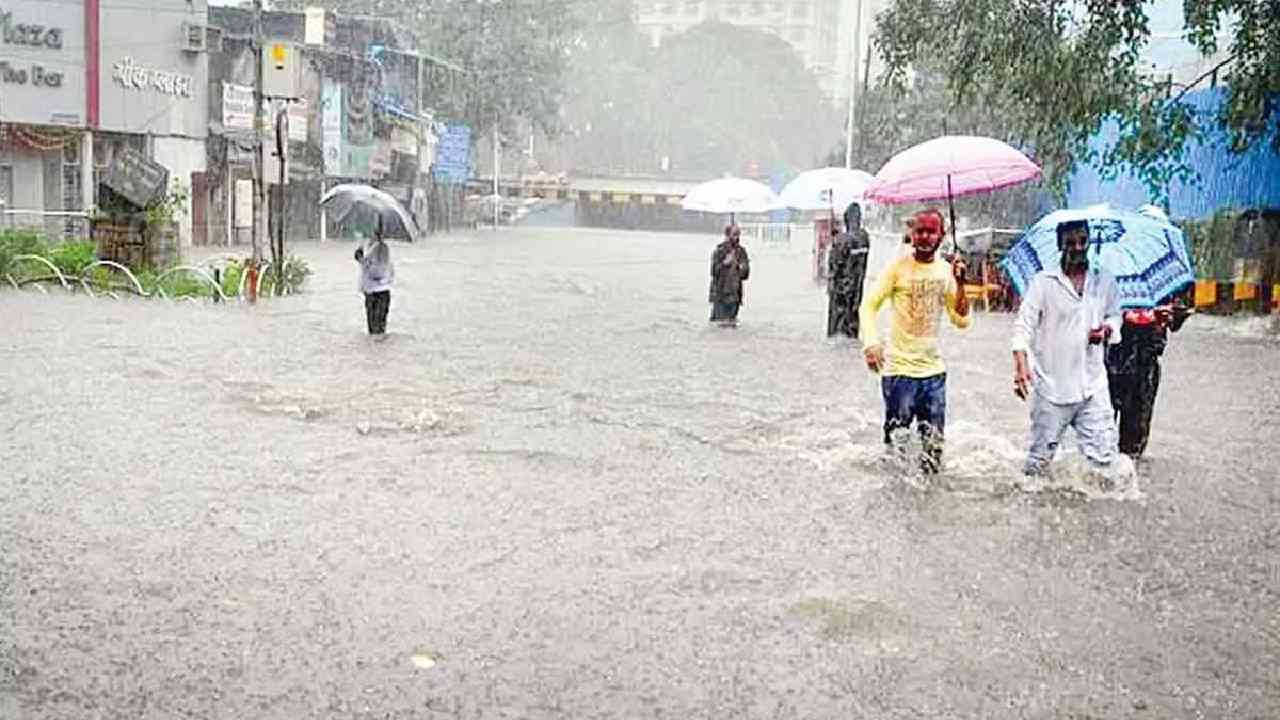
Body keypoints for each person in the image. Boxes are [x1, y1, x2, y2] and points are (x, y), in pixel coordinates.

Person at [859, 208, 971, 473]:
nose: (924, 236)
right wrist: (871, 343)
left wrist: (961, 284)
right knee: (896, 448)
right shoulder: (897, 270)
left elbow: (962, 320)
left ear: (941, 236)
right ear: (911, 234)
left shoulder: (946, 272)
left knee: (933, 452)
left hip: (933, 373)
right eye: (919, 231)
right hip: (899, 372)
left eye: (931, 231)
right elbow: (868, 306)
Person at [1011, 219, 1122, 476]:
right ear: (1060, 245)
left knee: (1105, 464)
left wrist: (1107, 330)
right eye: (1071, 242)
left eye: (1083, 241)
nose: (1078, 247)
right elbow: (1022, 327)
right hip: (1052, 389)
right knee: (1038, 467)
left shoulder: (1104, 280)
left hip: (1092, 386)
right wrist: (1020, 366)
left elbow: (1116, 316)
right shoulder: (1043, 282)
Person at [1106, 292, 1193, 459]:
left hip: (1145, 364)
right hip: (1109, 360)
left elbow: (1179, 315)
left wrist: (1166, 316)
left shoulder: (1163, 284)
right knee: (1100, 431)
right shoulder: (1102, 280)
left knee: (1134, 438)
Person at [827, 202, 871, 338]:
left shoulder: (842, 240)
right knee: (853, 317)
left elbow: (834, 265)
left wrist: (834, 241)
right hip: (857, 286)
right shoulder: (865, 237)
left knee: (837, 324)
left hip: (840, 288)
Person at [354, 219, 394, 335]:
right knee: (380, 329)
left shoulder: (377, 248)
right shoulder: (384, 248)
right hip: (383, 291)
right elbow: (387, 271)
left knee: (373, 330)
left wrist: (360, 258)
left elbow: (372, 269)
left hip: (373, 292)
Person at [709, 224, 750, 325]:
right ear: (727, 235)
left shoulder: (742, 252)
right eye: (735, 234)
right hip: (720, 295)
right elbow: (713, 272)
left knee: (732, 326)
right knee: (718, 325)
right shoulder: (719, 251)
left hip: (735, 296)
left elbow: (745, 276)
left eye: (738, 234)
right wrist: (724, 263)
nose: (737, 237)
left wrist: (743, 268)